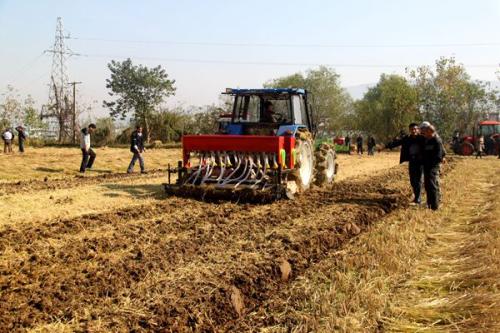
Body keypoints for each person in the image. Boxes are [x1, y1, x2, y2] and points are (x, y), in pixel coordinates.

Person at [385, 123, 426, 205]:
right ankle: (416, 196)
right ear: (409, 130)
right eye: (412, 129)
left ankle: (418, 199)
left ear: (418, 129)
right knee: (412, 180)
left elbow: (433, 144)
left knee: (418, 180)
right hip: (412, 161)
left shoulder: (423, 138)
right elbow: (396, 143)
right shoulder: (407, 139)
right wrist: (384, 147)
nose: (413, 131)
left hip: (420, 162)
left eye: (415, 129)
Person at [421, 123, 445, 210]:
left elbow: (439, 156)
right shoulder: (427, 140)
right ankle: (429, 204)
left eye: (426, 132)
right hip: (427, 166)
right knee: (427, 185)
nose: (424, 133)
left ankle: (435, 206)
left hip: (433, 167)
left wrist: (430, 164)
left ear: (431, 132)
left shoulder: (437, 141)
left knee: (433, 185)